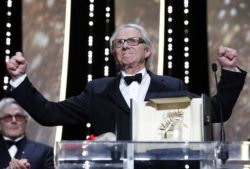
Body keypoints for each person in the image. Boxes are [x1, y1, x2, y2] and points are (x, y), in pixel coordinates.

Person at [5, 23, 246, 141]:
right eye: (119, 43)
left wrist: (229, 70)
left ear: (147, 51)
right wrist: (20, 80)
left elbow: (215, 111)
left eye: (133, 41)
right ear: (114, 53)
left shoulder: (172, 87)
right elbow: (49, 114)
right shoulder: (96, 91)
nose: (125, 45)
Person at [0, 97, 54, 169]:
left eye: (19, 116)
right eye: (8, 117)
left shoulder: (45, 151)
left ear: (26, 122)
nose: (14, 121)